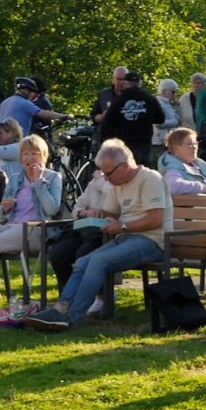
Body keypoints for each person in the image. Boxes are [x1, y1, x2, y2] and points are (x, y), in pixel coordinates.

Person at [26, 138, 167, 331]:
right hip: (127, 237)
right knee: (84, 261)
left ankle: (72, 318)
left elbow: (156, 220)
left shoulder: (150, 179)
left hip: (152, 241)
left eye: (108, 173)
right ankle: (60, 308)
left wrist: (123, 226)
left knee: (98, 261)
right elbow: (112, 213)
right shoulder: (119, 184)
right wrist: (99, 213)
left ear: (125, 166)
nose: (106, 179)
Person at [0, 133, 60, 314]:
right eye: (25, 154)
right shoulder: (15, 178)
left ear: (43, 156)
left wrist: (39, 183)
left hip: (37, 229)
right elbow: (2, 214)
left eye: (34, 153)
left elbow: (52, 209)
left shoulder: (53, 178)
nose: (29, 158)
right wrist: (4, 208)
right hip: (12, 225)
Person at [96, 69, 164, 160]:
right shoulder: (149, 99)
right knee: (143, 172)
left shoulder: (119, 100)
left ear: (126, 84)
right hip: (144, 144)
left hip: (123, 146)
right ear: (140, 83)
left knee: (125, 172)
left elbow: (107, 124)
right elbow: (160, 119)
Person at [159, 126, 206, 196]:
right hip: (199, 205)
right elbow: (173, 186)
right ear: (176, 149)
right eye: (190, 144)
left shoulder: (197, 164)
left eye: (195, 143)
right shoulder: (172, 168)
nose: (195, 147)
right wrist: (204, 188)